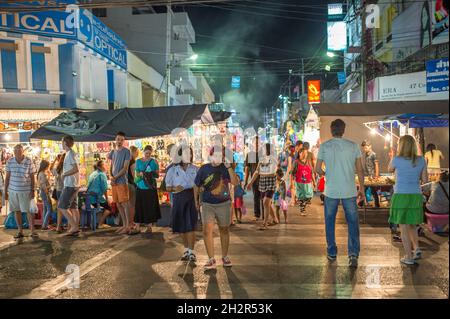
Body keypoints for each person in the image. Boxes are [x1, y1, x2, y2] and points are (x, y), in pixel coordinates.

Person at [315, 119, 365, 268]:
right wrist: (361, 189)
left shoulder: (324, 146)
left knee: (330, 222)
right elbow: (360, 170)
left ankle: (332, 252)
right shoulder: (353, 146)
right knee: (353, 224)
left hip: (331, 191)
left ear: (331, 130)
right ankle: (353, 254)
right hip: (349, 191)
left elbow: (317, 169)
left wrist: (327, 174)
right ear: (343, 130)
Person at [194, 145, 240, 270]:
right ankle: (211, 259)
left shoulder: (225, 169)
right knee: (207, 230)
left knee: (224, 229)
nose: (217, 158)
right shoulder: (204, 169)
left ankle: (224, 257)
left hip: (223, 204)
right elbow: (196, 185)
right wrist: (196, 200)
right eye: (215, 155)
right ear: (210, 155)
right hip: (207, 204)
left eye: (220, 155)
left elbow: (235, 183)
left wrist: (229, 167)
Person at [388, 135, 428, 266]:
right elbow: (425, 180)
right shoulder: (421, 160)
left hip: (401, 195)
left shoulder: (396, 160)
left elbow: (389, 169)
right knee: (412, 225)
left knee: (403, 227)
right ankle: (416, 249)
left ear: (401, 146)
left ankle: (409, 257)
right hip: (415, 195)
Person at [165, 146, 199, 262]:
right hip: (178, 198)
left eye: (190, 153)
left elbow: (199, 186)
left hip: (191, 197)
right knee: (182, 227)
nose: (188, 156)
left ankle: (192, 252)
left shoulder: (195, 169)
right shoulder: (172, 170)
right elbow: (167, 187)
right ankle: (186, 250)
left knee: (191, 226)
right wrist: (175, 188)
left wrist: (197, 201)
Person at [4, 144, 37, 239]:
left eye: (19, 150)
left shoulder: (29, 161)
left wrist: (32, 189)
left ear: (23, 151)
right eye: (16, 151)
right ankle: (20, 231)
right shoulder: (10, 161)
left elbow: (32, 177)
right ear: (13, 152)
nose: (17, 152)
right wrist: (5, 191)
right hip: (13, 191)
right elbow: (7, 178)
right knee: (16, 211)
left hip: (26, 191)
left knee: (29, 211)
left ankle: (32, 231)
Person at [247, 143, 279, 230]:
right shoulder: (261, 159)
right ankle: (275, 219)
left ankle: (264, 223)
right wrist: (250, 182)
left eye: (264, 149)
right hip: (262, 183)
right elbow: (257, 171)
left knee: (265, 202)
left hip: (271, 183)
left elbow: (273, 172)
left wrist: (262, 173)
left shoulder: (274, 159)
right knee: (267, 203)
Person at [132, 145, 161, 234]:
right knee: (139, 207)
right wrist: (140, 175)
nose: (148, 155)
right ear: (143, 152)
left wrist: (147, 173)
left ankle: (149, 227)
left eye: (149, 153)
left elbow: (157, 175)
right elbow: (136, 174)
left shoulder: (154, 162)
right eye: (146, 153)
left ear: (151, 153)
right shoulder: (138, 161)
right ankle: (137, 226)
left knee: (149, 207)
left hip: (150, 187)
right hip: (140, 186)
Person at [108, 132, 131, 235]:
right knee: (118, 203)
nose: (119, 141)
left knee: (125, 203)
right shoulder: (113, 152)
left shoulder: (127, 151)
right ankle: (124, 225)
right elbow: (111, 166)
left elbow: (125, 168)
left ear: (124, 141)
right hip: (114, 182)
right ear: (115, 139)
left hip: (121, 181)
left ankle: (128, 226)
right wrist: (111, 176)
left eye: (122, 140)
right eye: (118, 139)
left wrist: (115, 177)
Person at [58, 135, 80, 236]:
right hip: (73, 184)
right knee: (73, 207)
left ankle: (74, 226)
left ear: (65, 143)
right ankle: (75, 227)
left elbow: (76, 169)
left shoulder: (70, 154)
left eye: (62, 142)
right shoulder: (70, 153)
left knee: (62, 206)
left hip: (70, 184)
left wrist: (64, 174)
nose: (61, 144)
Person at [87, 160, 113, 229]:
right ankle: (100, 224)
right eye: (104, 165)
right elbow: (104, 189)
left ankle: (99, 223)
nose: (106, 166)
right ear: (100, 167)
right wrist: (107, 199)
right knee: (109, 208)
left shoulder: (93, 174)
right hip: (96, 199)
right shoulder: (102, 174)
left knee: (105, 205)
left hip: (89, 199)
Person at [293, 142, 315, 216]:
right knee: (301, 197)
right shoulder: (296, 162)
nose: (304, 155)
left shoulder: (308, 162)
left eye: (305, 153)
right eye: (302, 153)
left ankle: (303, 204)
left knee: (309, 196)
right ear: (299, 154)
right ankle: (302, 210)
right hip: (299, 182)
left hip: (308, 183)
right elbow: (292, 173)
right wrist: (292, 184)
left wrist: (314, 182)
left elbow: (311, 172)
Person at [244, 136, 262, 221]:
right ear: (253, 143)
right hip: (254, 180)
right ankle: (257, 214)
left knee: (264, 198)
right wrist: (246, 181)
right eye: (256, 143)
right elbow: (247, 168)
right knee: (256, 197)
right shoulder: (250, 154)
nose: (257, 144)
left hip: (264, 179)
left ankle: (265, 215)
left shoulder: (264, 154)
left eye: (259, 143)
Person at [361, 140, 380, 208]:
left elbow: (376, 165)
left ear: (370, 146)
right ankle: (362, 203)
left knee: (373, 191)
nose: (364, 149)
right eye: (364, 148)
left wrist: (376, 176)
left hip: (372, 176)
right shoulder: (366, 154)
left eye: (366, 147)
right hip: (367, 176)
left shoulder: (373, 154)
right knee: (363, 189)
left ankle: (377, 204)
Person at [50, 154, 65, 233]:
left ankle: (59, 226)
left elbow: (50, 168)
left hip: (59, 189)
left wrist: (55, 159)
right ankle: (66, 226)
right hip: (64, 189)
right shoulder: (65, 168)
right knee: (66, 208)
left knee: (60, 208)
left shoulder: (58, 169)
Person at [37, 160, 53, 230]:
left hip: (43, 192)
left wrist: (49, 175)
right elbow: (44, 185)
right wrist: (47, 192)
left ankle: (44, 224)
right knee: (49, 209)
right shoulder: (42, 174)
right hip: (44, 192)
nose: (48, 167)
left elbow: (43, 183)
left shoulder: (40, 173)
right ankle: (44, 225)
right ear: (45, 166)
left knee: (45, 209)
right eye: (48, 166)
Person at [128, 146, 139, 230]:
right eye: (137, 152)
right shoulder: (132, 161)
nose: (138, 154)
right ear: (134, 152)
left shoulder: (126, 160)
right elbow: (134, 176)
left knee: (127, 205)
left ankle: (128, 223)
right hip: (131, 184)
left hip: (125, 184)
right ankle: (131, 223)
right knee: (132, 205)